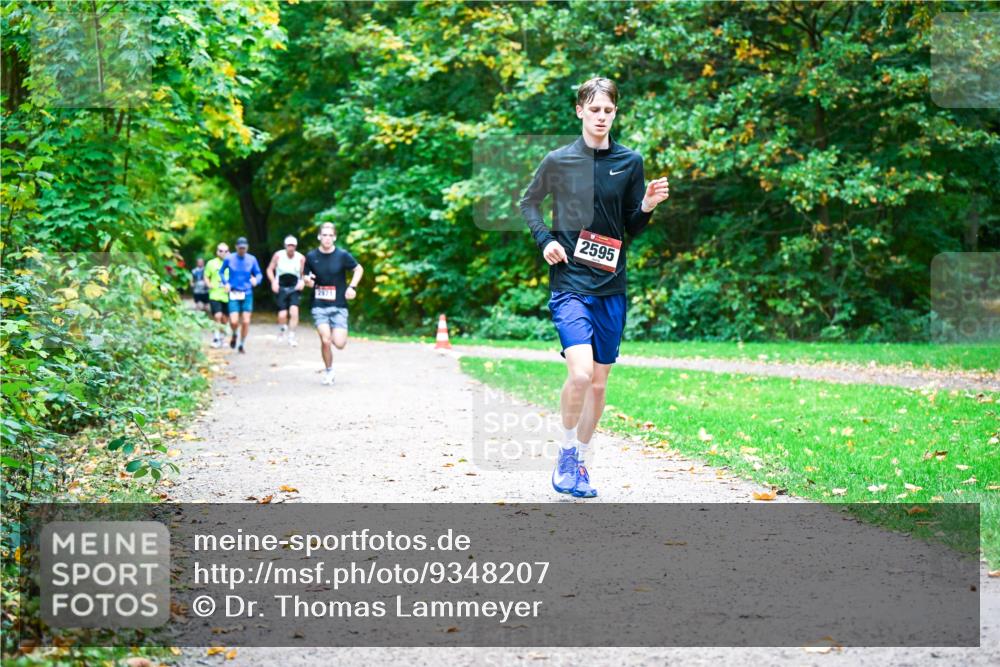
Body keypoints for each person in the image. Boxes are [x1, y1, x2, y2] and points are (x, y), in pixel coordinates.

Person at [519, 77, 670, 498]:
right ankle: (566, 454)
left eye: (609, 110)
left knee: (600, 384)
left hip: (611, 284)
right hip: (569, 278)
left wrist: (647, 206)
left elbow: (631, 226)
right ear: (580, 111)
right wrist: (545, 239)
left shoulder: (630, 161)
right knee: (581, 373)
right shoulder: (558, 160)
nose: (601, 117)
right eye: (595, 109)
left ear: (614, 113)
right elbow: (528, 202)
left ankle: (581, 461)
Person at [303, 222, 363, 385]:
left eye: (330, 235)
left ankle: (332, 358)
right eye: (324, 235)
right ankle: (329, 371)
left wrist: (352, 286)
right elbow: (306, 279)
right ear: (319, 237)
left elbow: (358, 269)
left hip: (339, 306)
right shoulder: (311, 256)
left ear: (334, 237)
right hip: (319, 305)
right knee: (325, 340)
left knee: (340, 344)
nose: (327, 238)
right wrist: (307, 281)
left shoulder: (342, 255)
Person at [219, 236, 262, 354]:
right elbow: (221, 272)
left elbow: (259, 274)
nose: (242, 250)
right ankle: (234, 334)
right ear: (236, 247)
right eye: (240, 248)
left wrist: (256, 280)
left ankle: (242, 344)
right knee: (233, 321)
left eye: (244, 248)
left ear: (247, 247)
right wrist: (225, 283)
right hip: (233, 292)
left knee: (246, 321)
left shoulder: (252, 259)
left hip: (247, 292)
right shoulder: (229, 259)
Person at [266, 235, 306, 347]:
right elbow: (269, 269)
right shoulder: (278, 255)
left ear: (296, 246)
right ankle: (282, 329)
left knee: (294, 311)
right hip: (281, 286)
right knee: (282, 314)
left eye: (293, 245)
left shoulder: (301, 258)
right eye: (289, 245)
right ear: (285, 246)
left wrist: (302, 282)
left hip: (294, 287)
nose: (291, 248)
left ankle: (292, 335)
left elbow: (304, 273)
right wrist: (273, 281)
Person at [204, 244, 230, 348]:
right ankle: (216, 337)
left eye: (225, 251)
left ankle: (223, 337)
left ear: (228, 252)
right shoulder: (211, 263)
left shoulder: (231, 263)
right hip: (215, 294)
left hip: (227, 295)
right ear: (217, 252)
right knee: (217, 316)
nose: (222, 253)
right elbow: (206, 275)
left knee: (225, 318)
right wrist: (208, 284)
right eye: (220, 251)